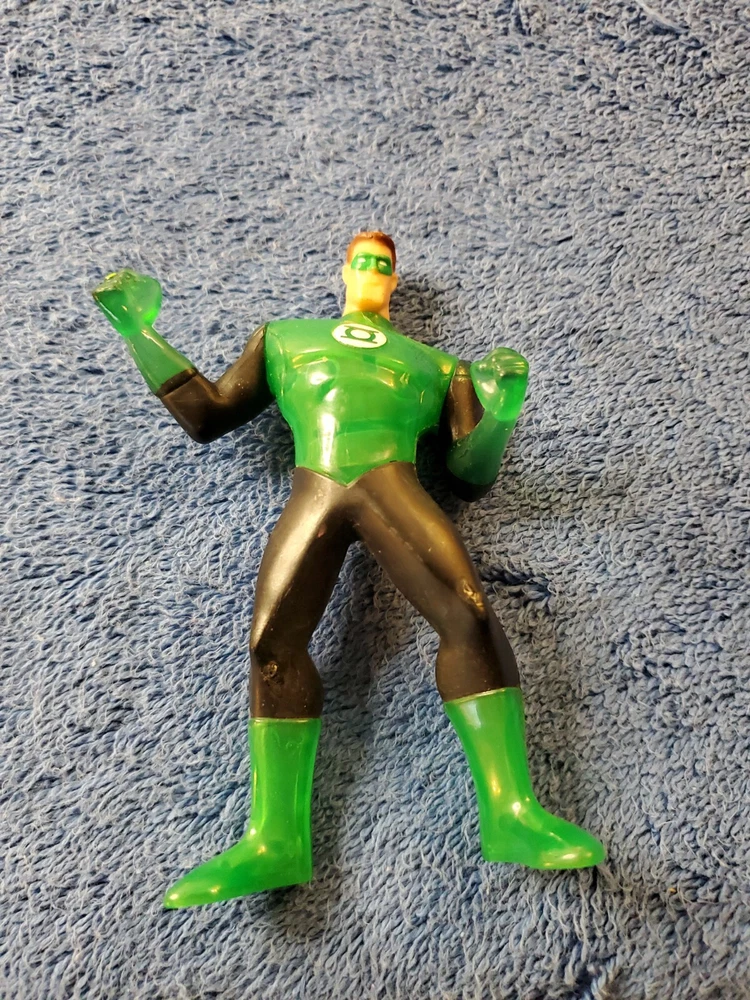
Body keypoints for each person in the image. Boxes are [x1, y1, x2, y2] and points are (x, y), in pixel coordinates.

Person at [92, 231, 605, 909]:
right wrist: (140, 333)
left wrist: (501, 415)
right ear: (344, 270)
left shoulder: (437, 366)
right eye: (363, 261)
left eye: (383, 265)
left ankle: (512, 812)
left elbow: (469, 476)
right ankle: (275, 838)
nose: (371, 271)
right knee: (270, 645)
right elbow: (208, 414)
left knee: (470, 616)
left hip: (394, 487)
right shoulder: (285, 340)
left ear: (393, 280)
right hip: (317, 488)